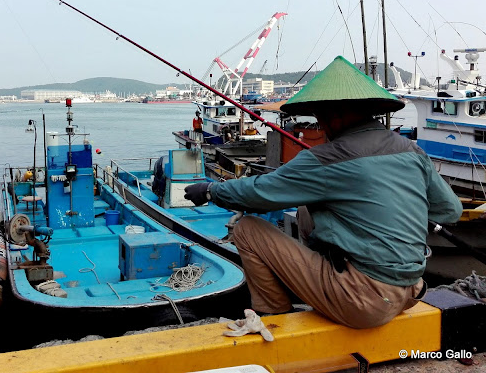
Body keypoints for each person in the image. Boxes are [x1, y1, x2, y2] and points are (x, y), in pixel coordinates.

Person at [184, 56, 462, 329]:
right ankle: (322, 278)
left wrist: (210, 190)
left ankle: (275, 318)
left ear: (336, 114)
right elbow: (451, 210)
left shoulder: (328, 158)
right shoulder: (411, 151)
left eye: (321, 116)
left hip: (363, 302)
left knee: (247, 229)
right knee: (307, 209)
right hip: (412, 291)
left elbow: (259, 193)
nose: (320, 124)